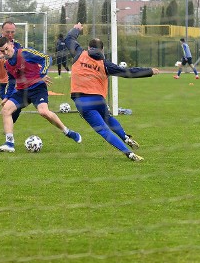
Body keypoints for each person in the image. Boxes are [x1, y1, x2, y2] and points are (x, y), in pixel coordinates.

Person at [65, 23, 159, 161]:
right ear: (102, 50)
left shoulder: (79, 53)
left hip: (82, 102)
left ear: (89, 47)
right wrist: (149, 71)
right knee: (108, 118)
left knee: (103, 130)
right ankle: (126, 138)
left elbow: (69, 38)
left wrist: (76, 29)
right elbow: (128, 72)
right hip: (99, 100)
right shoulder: (105, 64)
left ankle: (129, 153)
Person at [0, 36, 82, 152]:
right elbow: (11, 81)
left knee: (43, 112)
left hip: (37, 88)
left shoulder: (25, 53)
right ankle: (9, 143)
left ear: (11, 45)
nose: (5, 52)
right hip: (22, 91)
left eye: (6, 49)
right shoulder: (7, 64)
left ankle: (68, 132)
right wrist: (7, 97)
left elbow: (46, 58)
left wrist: (42, 74)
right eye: (2, 51)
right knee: (6, 110)